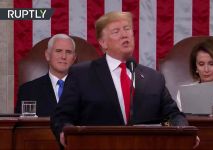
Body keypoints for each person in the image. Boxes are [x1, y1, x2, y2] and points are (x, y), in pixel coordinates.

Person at [50, 11, 190, 148]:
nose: (124, 35)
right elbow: (61, 117)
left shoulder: (153, 78)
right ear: (103, 43)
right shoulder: (82, 74)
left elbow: (173, 115)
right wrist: (65, 133)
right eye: (116, 31)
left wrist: (185, 132)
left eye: (127, 29)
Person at [15, 34, 77, 117]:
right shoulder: (28, 91)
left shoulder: (87, 89)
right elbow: (21, 128)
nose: (63, 56)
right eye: (58, 51)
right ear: (47, 55)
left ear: (74, 58)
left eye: (68, 52)